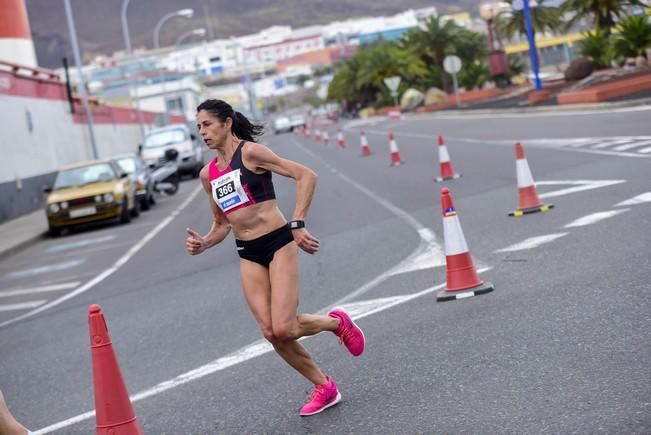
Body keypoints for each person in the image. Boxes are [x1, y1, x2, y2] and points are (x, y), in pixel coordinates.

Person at [185, 99, 365, 416]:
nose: (202, 131)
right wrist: (204, 243)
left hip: (278, 241)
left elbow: (306, 175)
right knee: (271, 332)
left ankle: (336, 324)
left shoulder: (251, 153)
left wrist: (297, 223)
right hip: (248, 252)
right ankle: (325, 386)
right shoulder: (207, 174)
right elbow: (222, 223)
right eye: (198, 126)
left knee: (285, 328)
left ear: (226, 123)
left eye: (207, 124)